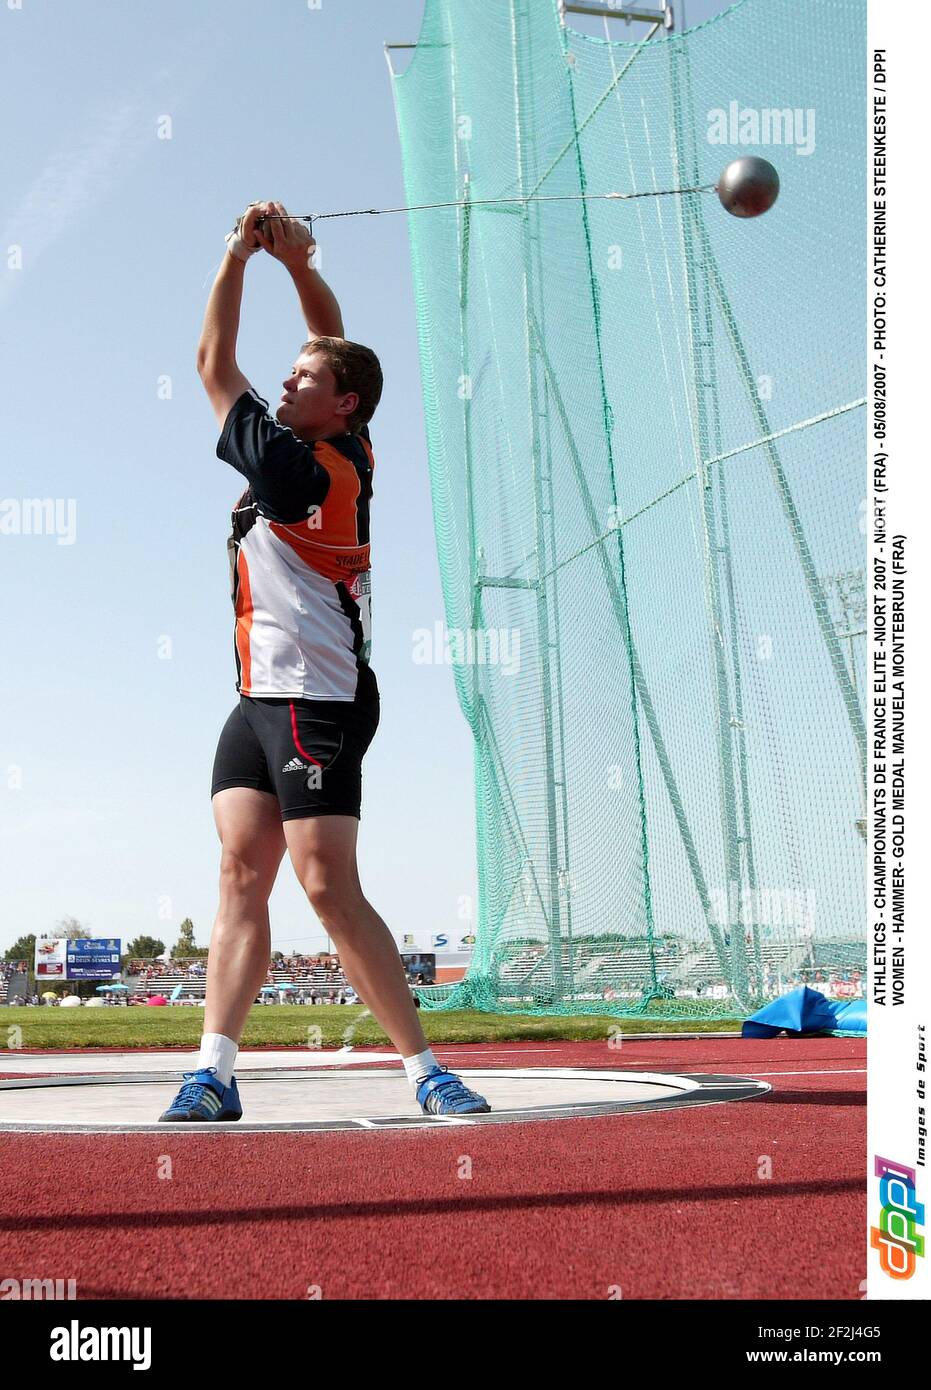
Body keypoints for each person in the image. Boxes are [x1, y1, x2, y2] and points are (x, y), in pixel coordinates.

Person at [160, 201, 488, 1123]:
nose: (288, 378)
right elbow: (331, 336)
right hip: (255, 699)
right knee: (237, 874)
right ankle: (215, 1071)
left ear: (339, 404)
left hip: (320, 698)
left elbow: (210, 365)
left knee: (324, 884)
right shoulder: (341, 435)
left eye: (303, 378)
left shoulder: (301, 467)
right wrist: (294, 260)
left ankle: (425, 1068)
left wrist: (237, 257)